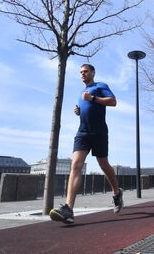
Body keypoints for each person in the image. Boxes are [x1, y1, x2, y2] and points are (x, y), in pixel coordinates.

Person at [50, 64, 123, 224]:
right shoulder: (80, 93)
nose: (83, 74)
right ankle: (68, 209)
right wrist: (79, 111)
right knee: (75, 164)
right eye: (81, 72)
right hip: (82, 132)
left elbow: (113, 101)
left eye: (86, 71)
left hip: (99, 132)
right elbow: (87, 108)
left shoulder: (100, 86)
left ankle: (116, 192)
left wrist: (93, 98)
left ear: (93, 73)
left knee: (103, 164)